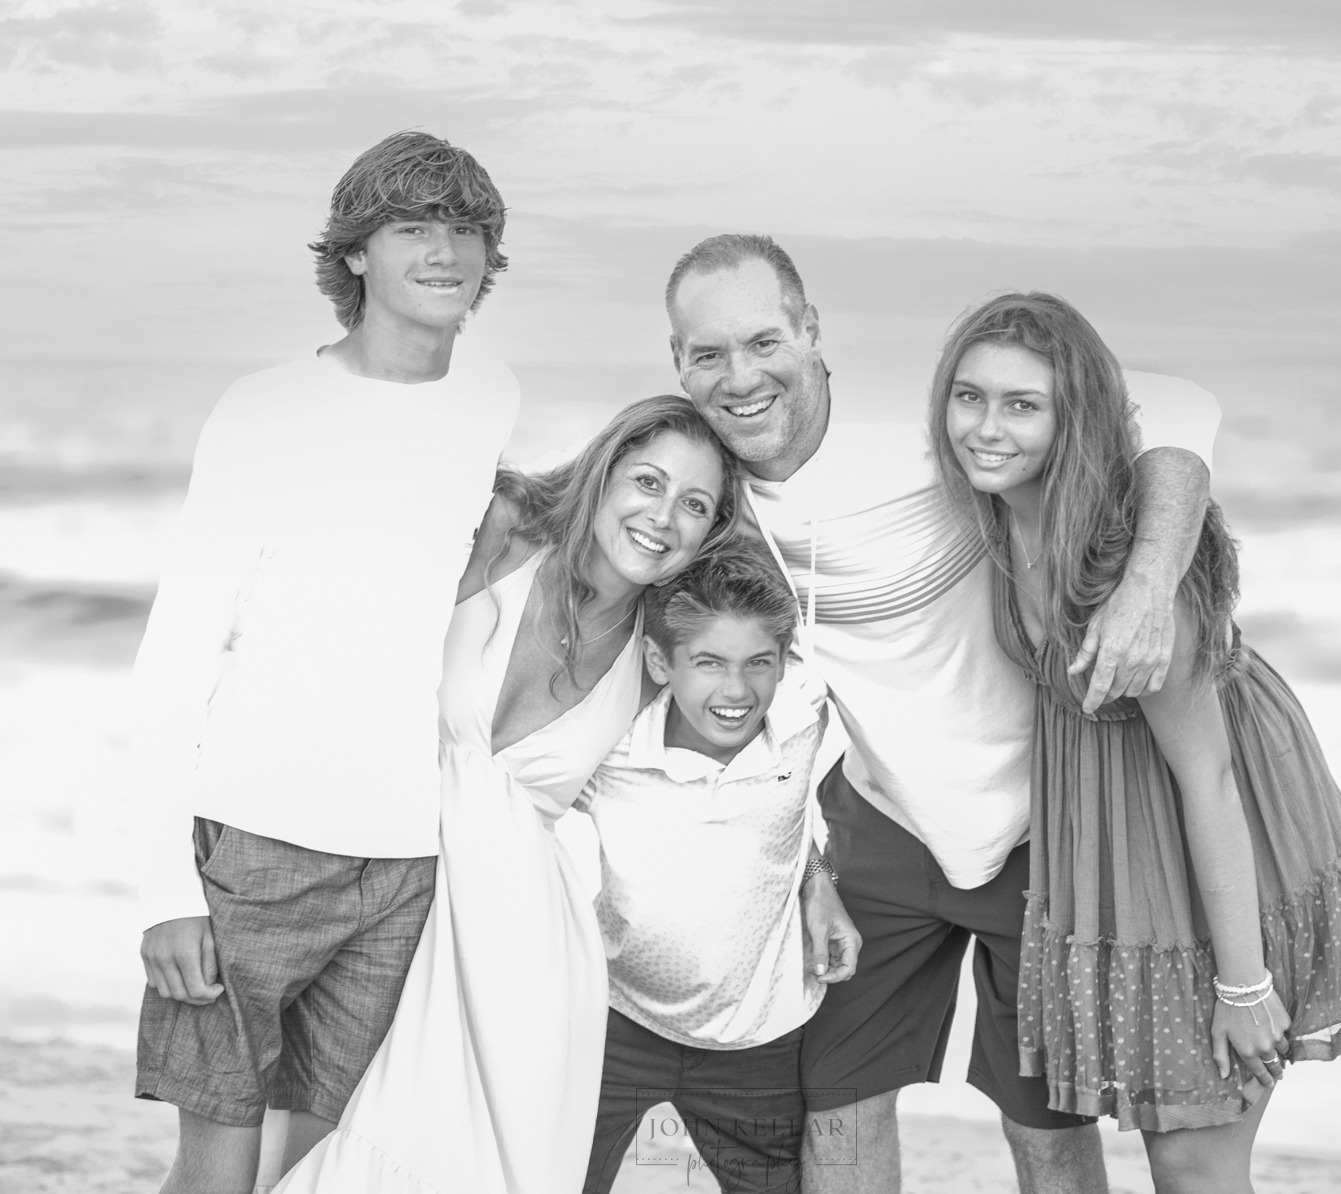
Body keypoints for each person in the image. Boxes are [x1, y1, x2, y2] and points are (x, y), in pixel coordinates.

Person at [664, 234, 1222, 1194]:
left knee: (1044, 1126)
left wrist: (1146, 585)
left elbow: (1177, 404)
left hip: (1040, 830)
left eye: (762, 341)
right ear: (678, 361)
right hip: (881, 824)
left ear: (810, 330)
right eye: (705, 354)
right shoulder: (703, 482)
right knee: (833, 1109)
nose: (739, 376)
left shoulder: (927, 426)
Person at [929, 291, 1341, 1192]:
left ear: (1076, 419)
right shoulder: (997, 519)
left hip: (1221, 838)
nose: (986, 427)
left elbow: (1212, 775)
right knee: (1180, 1151)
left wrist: (1243, 985)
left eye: (1022, 404)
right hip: (1123, 843)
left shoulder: (1121, 559)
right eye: (969, 396)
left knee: (1194, 1163)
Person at [130, 130, 517, 1194]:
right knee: (215, 1177)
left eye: (463, 227)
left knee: (319, 1173)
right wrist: (163, 888)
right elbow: (176, 653)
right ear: (354, 255)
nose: (443, 250)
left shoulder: (491, 401)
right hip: (252, 849)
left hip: (403, 866)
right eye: (410, 227)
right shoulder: (265, 410)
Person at [273, 394, 741, 1193]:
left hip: (522, 952)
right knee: (321, 1147)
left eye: (693, 505)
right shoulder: (504, 528)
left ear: (710, 531)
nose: (663, 517)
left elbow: (759, 759)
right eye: (648, 482)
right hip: (387, 887)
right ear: (604, 473)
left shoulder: (664, 648)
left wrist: (819, 878)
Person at [578, 540, 856, 1194]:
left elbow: (796, 823)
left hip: (759, 1040)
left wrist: (820, 879)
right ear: (659, 661)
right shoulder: (605, 744)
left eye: (760, 662)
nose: (738, 691)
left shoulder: (800, 718)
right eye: (708, 663)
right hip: (618, 1025)